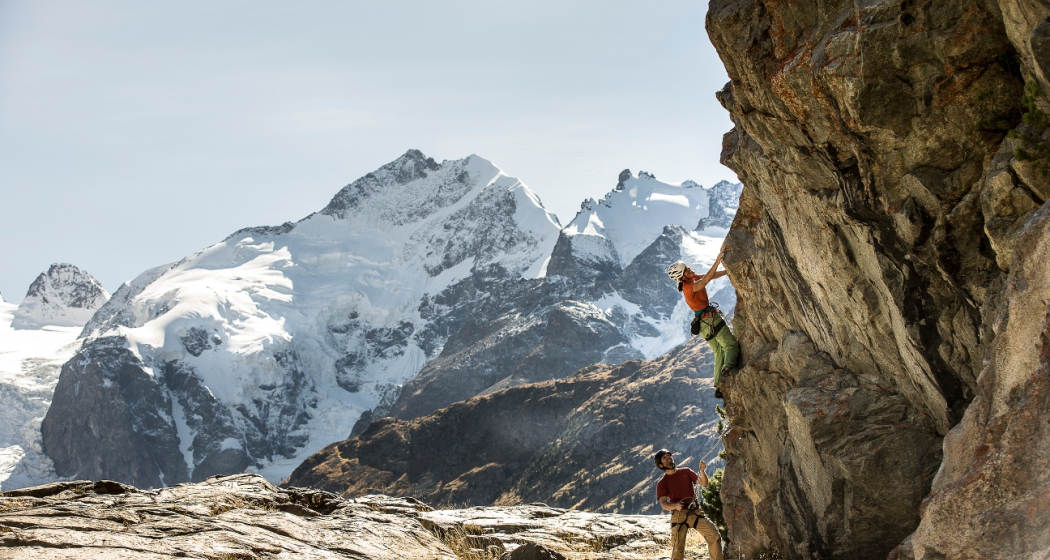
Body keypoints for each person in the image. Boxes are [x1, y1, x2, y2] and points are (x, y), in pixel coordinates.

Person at [667, 254, 739, 398]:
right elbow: (706, 280)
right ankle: (727, 371)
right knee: (731, 347)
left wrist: (727, 271)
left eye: (688, 268)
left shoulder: (691, 280)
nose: (690, 270)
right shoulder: (689, 286)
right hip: (711, 320)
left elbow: (709, 276)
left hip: (702, 326)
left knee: (718, 352)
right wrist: (717, 261)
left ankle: (719, 386)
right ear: (682, 277)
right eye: (687, 271)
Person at [654, 449, 724, 560]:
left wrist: (702, 471)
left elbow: (704, 483)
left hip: (695, 511)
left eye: (669, 455)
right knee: (678, 548)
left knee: (714, 536)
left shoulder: (686, 471)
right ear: (661, 465)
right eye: (664, 457)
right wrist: (675, 506)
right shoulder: (662, 483)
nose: (668, 457)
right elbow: (663, 504)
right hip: (678, 514)